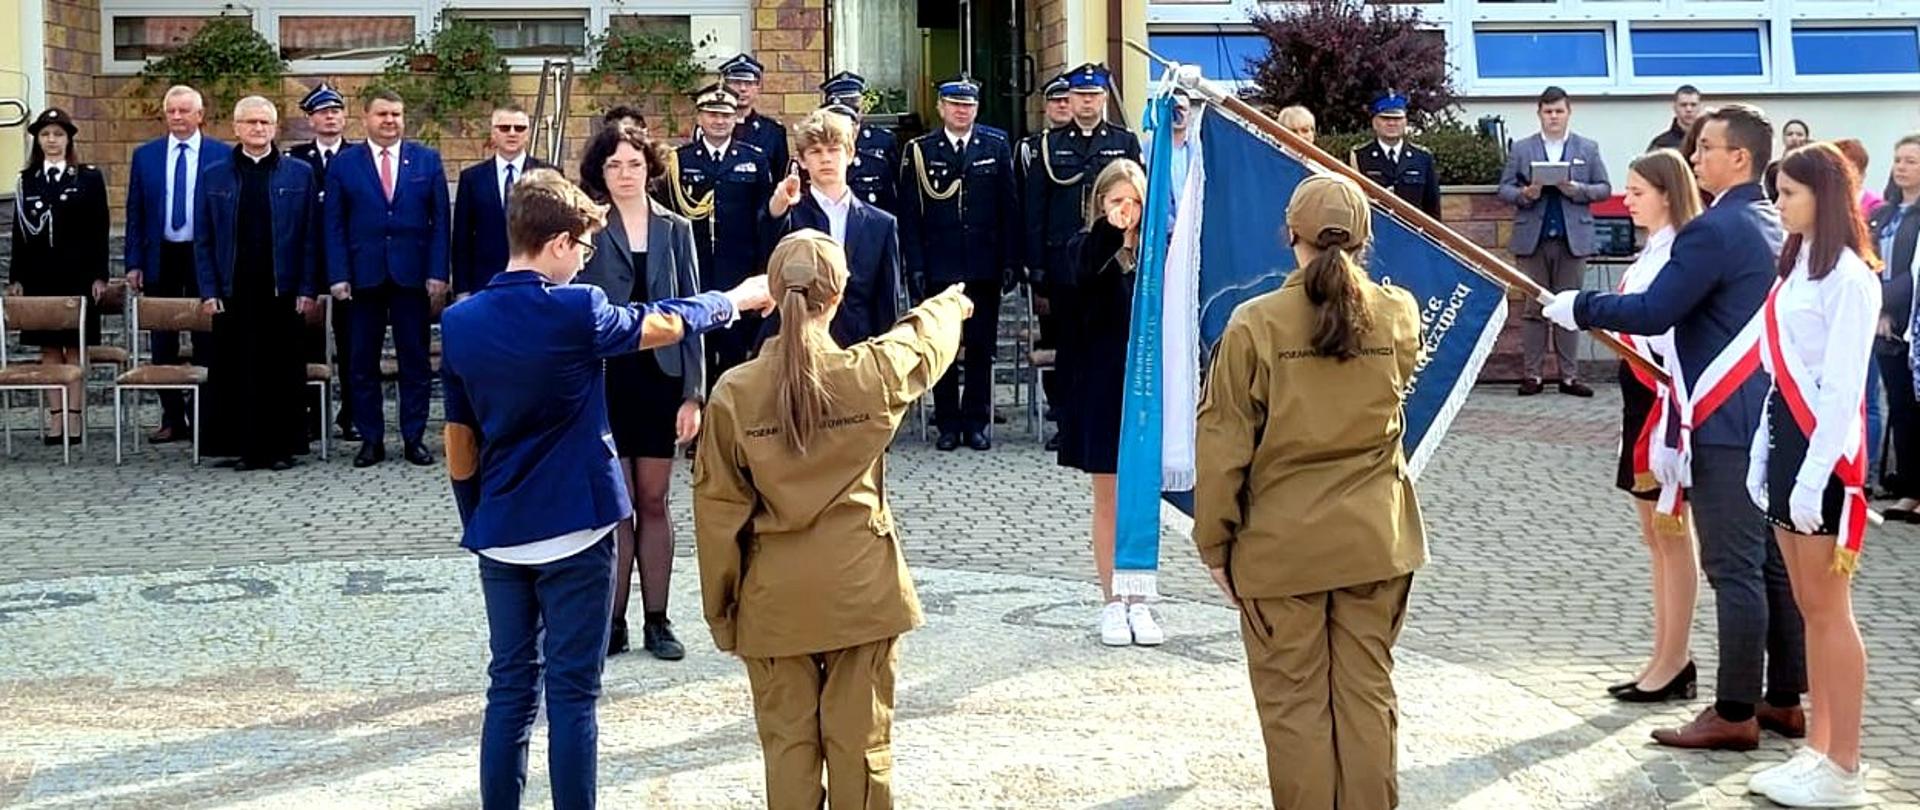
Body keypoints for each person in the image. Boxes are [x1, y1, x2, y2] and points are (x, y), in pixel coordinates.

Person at [442, 168, 769, 810]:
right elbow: (665, 322)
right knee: (571, 695)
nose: (586, 263)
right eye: (585, 250)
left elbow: (460, 442)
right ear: (559, 243)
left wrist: (479, 521)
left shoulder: (460, 321)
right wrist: (734, 298)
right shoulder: (576, 308)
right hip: (578, 528)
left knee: (508, 690)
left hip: (502, 532)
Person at [1545, 104, 1807, 751]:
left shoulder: (1714, 229)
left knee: (1734, 570)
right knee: (1771, 565)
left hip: (1723, 422)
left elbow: (1658, 308)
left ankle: (1736, 710)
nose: (1696, 159)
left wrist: (1581, 306)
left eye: (1707, 148)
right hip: (1764, 414)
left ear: (1739, 158)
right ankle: (1783, 699)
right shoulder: (1767, 220)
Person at [693, 229, 972, 810]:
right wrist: (952, 303)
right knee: (861, 752)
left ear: (771, 294)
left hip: (774, 600)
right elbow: (920, 342)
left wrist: (723, 614)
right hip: (860, 592)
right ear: (840, 294)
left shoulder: (734, 394)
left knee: (789, 754)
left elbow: (718, 517)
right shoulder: (870, 373)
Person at [1193, 171, 1426, 810]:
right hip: (1373, 539)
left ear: (1288, 236)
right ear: (1366, 239)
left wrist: (1213, 542)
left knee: (1294, 707)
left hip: (1281, 545)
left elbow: (1222, 449)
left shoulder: (1253, 325)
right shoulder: (1399, 314)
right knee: (1367, 697)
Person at [1744, 142, 1879, 808]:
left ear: (1823, 197)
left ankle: (1846, 765)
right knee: (1807, 607)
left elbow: (1842, 388)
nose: (1779, 203)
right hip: (1788, 437)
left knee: (1831, 611)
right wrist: (1767, 456)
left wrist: (1813, 474)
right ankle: (1818, 749)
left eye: (1790, 192)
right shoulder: (1796, 267)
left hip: (1825, 452)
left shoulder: (1851, 277)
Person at [575, 123, 704, 660]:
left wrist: (695, 393)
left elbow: (695, 309)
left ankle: (658, 620)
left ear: (650, 169)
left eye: (633, 164)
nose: (624, 174)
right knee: (616, 504)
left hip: (662, 378)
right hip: (606, 376)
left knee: (652, 499)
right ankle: (613, 620)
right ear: (600, 173)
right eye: (613, 165)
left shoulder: (676, 229)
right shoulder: (587, 227)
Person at [1603, 149, 1703, 703]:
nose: (1628, 201)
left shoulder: (1677, 254)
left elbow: (1661, 328)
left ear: (1668, 193)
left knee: (1670, 533)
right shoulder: (1651, 253)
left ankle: (1675, 658)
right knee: (1653, 537)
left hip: (1663, 403)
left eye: (1638, 192)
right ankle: (1663, 653)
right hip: (1637, 400)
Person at [1056, 158, 1164, 647]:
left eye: (1135, 201)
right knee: (1110, 497)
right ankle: (1112, 602)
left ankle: (1140, 598)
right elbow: (1082, 278)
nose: (1127, 210)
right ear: (1100, 205)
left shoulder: (1158, 252)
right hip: (1102, 387)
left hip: (1148, 388)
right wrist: (1109, 233)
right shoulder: (1086, 246)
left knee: (1140, 498)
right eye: (1117, 201)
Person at [326, 88, 452, 469]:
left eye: (396, 114)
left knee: (414, 361)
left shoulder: (426, 161)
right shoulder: (345, 164)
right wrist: (338, 274)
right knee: (361, 362)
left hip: (411, 277)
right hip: (362, 278)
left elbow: (440, 222)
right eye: (382, 114)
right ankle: (371, 439)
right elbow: (333, 224)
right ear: (365, 117)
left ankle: (414, 438)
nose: (390, 121)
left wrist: (437, 272)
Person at [193, 95, 320, 471]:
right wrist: (209, 289)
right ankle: (244, 448)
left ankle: (281, 448)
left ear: (275, 127)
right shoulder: (214, 175)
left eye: (264, 123)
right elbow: (203, 237)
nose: (258, 129)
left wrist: (307, 288)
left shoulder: (299, 174)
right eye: (250, 123)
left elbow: (310, 236)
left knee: (281, 371)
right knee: (238, 370)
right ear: (236, 128)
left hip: (282, 288)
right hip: (234, 290)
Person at [897, 75, 1019, 451]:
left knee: (982, 347)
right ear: (941, 108)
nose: (962, 111)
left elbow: (1009, 208)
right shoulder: (920, 150)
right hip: (940, 264)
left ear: (976, 109)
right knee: (941, 347)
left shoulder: (996, 145)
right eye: (954, 105)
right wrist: (915, 264)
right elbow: (910, 214)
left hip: (983, 264)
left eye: (968, 105)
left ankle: (977, 422)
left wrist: (1011, 258)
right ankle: (948, 422)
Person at [1026, 62, 1142, 452]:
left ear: (1104, 99)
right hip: (1064, 266)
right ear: (1069, 99)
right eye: (1080, 96)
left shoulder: (1124, 143)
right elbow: (1036, 209)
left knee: (1108, 345)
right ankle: (1065, 416)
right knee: (1067, 345)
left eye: (1094, 96)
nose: (1087, 102)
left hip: (1113, 265)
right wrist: (1037, 267)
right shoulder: (1050, 146)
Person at [125, 84, 231, 444]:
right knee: (162, 342)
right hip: (162, 256)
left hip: (204, 256)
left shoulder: (221, 154)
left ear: (200, 115)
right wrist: (134, 262)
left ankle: (207, 419)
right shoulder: (146, 156)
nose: (177, 117)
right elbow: (135, 212)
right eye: (171, 111)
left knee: (208, 340)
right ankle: (173, 418)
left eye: (185, 111)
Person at [1498, 86, 1611, 397]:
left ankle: (1569, 377)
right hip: (1532, 240)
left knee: (1568, 308)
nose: (1553, 117)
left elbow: (1603, 188)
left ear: (1568, 113)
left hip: (1571, 239)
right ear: (1539, 114)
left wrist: (1576, 189)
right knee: (1534, 309)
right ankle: (1532, 375)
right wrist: (1525, 194)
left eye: (1559, 111)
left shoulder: (1587, 148)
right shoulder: (1522, 149)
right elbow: (1504, 189)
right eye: (1548, 112)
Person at [6, 107, 107, 444]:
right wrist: (15, 277)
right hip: (39, 276)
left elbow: (99, 229)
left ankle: (76, 416)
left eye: (58, 134)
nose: (52, 141)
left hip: (78, 274)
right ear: (38, 140)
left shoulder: (88, 178)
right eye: (46, 135)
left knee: (75, 348)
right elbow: (20, 235)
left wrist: (100, 275)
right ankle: (55, 418)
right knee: (48, 349)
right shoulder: (27, 180)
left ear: (69, 139)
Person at [761, 108, 903, 347]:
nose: (826, 159)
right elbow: (767, 252)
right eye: (816, 152)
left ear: (850, 154)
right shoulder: (791, 216)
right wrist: (779, 207)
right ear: (802, 161)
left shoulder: (882, 224)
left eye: (834, 150)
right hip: (799, 348)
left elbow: (887, 303)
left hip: (858, 350)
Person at [671, 84, 774, 387]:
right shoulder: (680, 161)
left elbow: (763, 220)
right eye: (712, 114)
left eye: (726, 115)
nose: (719, 121)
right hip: (695, 270)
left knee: (737, 357)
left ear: (736, 119)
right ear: (700, 118)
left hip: (739, 272)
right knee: (696, 352)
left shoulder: (754, 159)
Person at [288, 82, 361, 443]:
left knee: (351, 344)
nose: (330, 117)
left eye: (336, 111)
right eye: (322, 112)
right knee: (307, 344)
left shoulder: (359, 157)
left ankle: (352, 415)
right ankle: (311, 418)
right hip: (309, 265)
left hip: (348, 264)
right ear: (310, 119)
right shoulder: (296, 160)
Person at [454, 104, 553, 299]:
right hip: (486, 282)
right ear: (493, 133)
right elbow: (461, 238)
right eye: (505, 127)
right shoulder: (472, 178)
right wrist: (461, 289)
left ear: (528, 133)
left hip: (537, 280)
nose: (512, 133)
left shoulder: (548, 175)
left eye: (520, 128)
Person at [1871, 134, 1920, 521]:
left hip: (1910, 318)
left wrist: (1882, 301)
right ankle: (1907, 488)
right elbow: (1867, 260)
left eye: (1911, 161)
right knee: (1900, 406)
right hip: (1885, 325)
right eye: (1898, 160)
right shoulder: (1884, 214)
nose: (1901, 167)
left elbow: (1912, 276)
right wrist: (1877, 310)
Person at [1348, 91, 1440, 218]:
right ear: (1375, 122)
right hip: (1374, 233)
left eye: (1397, 118)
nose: (1392, 123)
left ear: (1405, 122)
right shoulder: (1360, 156)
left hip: (1412, 233)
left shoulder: (1422, 158)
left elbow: (1432, 207)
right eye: (1385, 118)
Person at [820, 71, 899, 214]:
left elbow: (896, 195)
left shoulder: (883, 141)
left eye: (854, 109)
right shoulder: (817, 146)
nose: (848, 119)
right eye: (840, 112)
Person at [722, 53, 791, 176]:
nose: (742, 89)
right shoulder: (711, 128)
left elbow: (780, 178)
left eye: (749, 83)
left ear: (758, 87)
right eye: (736, 82)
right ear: (725, 86)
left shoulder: (773, 132)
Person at [1832, 139, 1884, 219]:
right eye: (1835, 167)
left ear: (1862, 174)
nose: (1840, 173)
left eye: (1848, 168)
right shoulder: (1822, 203)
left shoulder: (1876, 207)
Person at [1765, 119, 1811, 201]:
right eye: (1790, 134)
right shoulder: (1773, 169)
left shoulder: (1813, 169)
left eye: (1799, 135)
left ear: (1806, 138)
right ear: (1783, 138)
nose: (1794, 138)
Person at [1648, 84, 1703, 152]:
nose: (1689, 109)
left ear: (1700, 107)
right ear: (1675, 108)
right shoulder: (1662, 144)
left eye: (1693, 105)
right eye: (1683, 105)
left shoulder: (1706, 141)